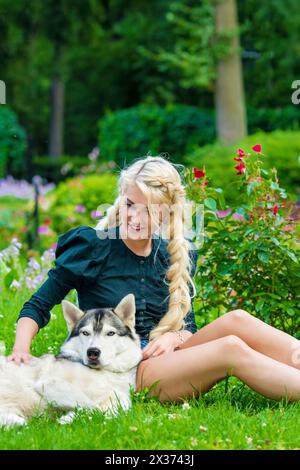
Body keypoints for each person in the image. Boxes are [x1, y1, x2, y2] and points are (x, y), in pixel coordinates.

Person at [8, 155, 300, 403]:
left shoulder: (172, 253)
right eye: (130, 204)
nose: (135, 217)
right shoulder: (92, 248)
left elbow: (190, 329)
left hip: (169, 356)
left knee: (237, 320)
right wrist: (21, 350)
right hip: (126, 368)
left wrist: (174, 337)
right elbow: (37, 305)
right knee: (231, 348)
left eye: (148, 210)